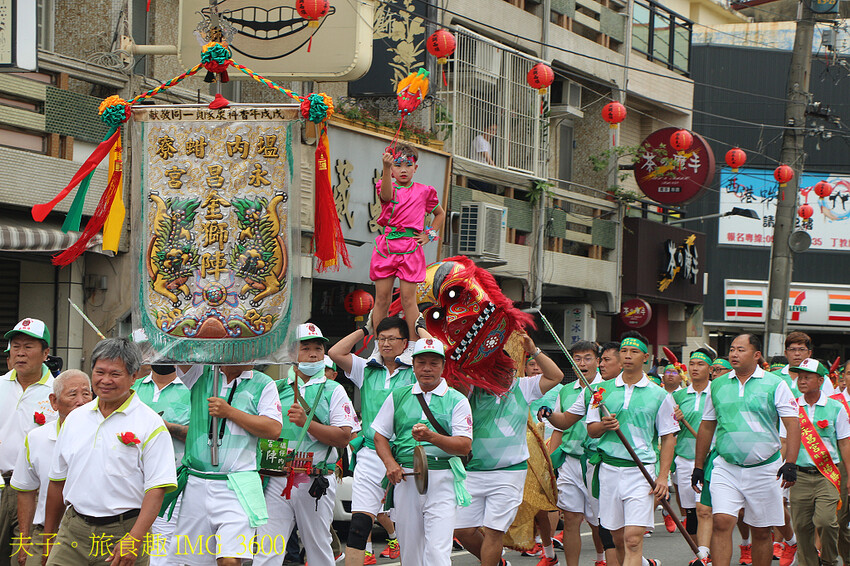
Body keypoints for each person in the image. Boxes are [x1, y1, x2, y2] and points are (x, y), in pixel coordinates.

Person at [43, 338, 178, 566]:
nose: (105, 380)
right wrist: (48, 538)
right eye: (99, 372)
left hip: (123, 533)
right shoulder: (75, 419)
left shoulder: (150, 424)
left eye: (115, 374)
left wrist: (134, 539)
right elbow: (57, 482)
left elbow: (156, 489)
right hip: (73, 530)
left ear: (134, 376)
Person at [454, 333, 563, 566]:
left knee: (494, 532)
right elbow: (454, 380)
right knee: (462, 530)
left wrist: (534, 350)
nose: (505, 377)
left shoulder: (522, 387)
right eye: (497, 372)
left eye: (509, 371)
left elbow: (556, 376)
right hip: (472, 471)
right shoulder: (471, 391)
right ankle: (498, 563)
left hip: (510, 472)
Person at [692, 333, 800, 566]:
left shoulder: (775, 384)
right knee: (721, 521)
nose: (734, 354)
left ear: (756, 354)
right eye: (732, 349)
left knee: (761, 531)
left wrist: (790, 462)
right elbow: (707, 425)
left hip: (764, 469)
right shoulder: (718, 384)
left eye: (741, 349)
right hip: (726, 467)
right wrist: (698, 466)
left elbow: (792, 423)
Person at [254, 324, 358, 566]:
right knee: (268, 549)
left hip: (314, 480)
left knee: (318, 547)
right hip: (274, 477)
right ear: (292, 354)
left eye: (318, 349)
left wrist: (306, 423)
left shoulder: (334, 390)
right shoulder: (275, 388)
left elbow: (344, 437)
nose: (313, 354)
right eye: (306, 348)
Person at [166, 358, 283, 566]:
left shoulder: (264, 383)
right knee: (196, 562)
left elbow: (273, 429)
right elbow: (179, 351)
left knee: (229, 560)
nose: (252, 353)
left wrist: (229, 412)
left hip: (237, 484)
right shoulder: (201, 373)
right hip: (197, 482)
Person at [371, 338, 473, 566]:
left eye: (433, 363)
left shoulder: (457, 400)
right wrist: (390, 464)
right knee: (410, 551)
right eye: (422, 362)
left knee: (437, 552)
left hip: (443, 479)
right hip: (406, 479)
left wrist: (431, 437)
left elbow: (465, 445)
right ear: (414, 365)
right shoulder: (398, 395)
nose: (427, 368)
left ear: (443, 366)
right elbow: (379, 435)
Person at [585, 331, 678, 566]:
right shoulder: (601, 391)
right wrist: (604, 425)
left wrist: (663, 477)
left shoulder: (660, 395)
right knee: (617, 538)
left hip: (641, 472)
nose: (627, 356)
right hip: (609, 471)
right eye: (624, 351)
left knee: (633, 539)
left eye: (634, 352)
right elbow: (591, 430)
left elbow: (668, 437)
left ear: (646, 357)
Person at [329, 317, 416, 566]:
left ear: (405, 343)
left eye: (392, 339)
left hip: (406, 456)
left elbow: (437, 350)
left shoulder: (417, 370)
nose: (386, 343)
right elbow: (335, 352)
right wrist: (365, 330)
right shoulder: (366, 368)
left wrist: (419, 324)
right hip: (370, 453)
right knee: (359, 525)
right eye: (382, 338)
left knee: (410, 528)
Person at [371, 143, 446, 358]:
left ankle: (412, 346)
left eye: (408, 165)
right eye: (397, 165)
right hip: (386, 247)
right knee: (382, 299)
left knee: (408, 299)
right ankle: (379, 344)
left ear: (416, 168)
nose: (403, 169)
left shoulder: (425, 191)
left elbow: (439, 214)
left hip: (410, 247)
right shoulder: (386, 185)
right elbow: (385, 197)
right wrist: (385, 169)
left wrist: (429, 234)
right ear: (392, 168)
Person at [11, 370, 91, 566]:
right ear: (54, 402)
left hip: (90, 534)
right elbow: (26, 490)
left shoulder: (104, 436)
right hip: (44, 532)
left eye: (87, 394)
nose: (81, 401)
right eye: (73, 394)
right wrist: (25, 539)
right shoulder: (36, 438)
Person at [781, 358, 850, 566]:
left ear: (820, 381)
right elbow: (784, 440)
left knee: (827, 522)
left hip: (827, 475)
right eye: (799, 377)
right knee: (802, 527)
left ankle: (829, 560)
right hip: (799, 475)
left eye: (807, 377)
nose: (801, 381)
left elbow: (845, 444)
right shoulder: (791, 407)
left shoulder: (836, 408)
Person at [544, 341, 606, 566]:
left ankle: (602, 559)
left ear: (598, 361)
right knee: (571, 518)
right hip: (569, 461)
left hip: (596, 462)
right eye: (577, 359)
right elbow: (559, 427)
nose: (582, 363)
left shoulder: (606, 388)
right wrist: (551, 464)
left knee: (597, 520)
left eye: (588, 358)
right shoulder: (565, 390)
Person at [0, 318, 57, 566]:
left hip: (36, 492)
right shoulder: (0, 386)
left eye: (28, 346)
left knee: (25, 558)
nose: (21, 353)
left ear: (45, 353)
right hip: (1, 485)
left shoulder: (58, 391)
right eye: (16, 346)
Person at [131, 363, 190, 565]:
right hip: (133, 481)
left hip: (174, 483)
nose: (163, 357)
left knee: (162, 546)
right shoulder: (134, 388)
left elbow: (202, 435)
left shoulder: (193, 388)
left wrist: (166, 427)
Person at [672, 349, 714, 565]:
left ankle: (707, 555)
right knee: (691, 513)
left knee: (704, 509)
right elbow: (670, 431)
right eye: (693, 363)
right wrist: (676, 419)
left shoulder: (716, 393)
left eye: (701, 364)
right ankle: (701, 554)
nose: (695, 368)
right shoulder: (678, 396)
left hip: (710, 460)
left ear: (710, 369)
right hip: (685, 459)